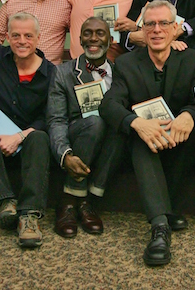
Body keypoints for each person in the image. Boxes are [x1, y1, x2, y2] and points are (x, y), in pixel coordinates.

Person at [99, 0, 195, 266]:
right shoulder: (125, 64)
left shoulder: (192, 59)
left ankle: (168, 206)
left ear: (175, 28)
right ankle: (160, 227)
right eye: (150, 24)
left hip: (181, 141)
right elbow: (108, 104)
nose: (156, 30)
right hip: (146, 145)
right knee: (139, 138)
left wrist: (188, 115)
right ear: (142, 30)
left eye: (163, 24)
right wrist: (136, 123)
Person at [0, 12, 55, 249]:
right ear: (7, 37)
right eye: (15, 35)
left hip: (30, 143)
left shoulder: (52, 73)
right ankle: (5, 202)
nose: (21, 41)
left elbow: (50, 117)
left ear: (38, 38)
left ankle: (29, 216)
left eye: (27, 36)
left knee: (40, 136)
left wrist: (20, 136)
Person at [47, 17, 124, 238]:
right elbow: (56, 120)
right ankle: (70, 200)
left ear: (110, 40)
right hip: (76, 137)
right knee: (95, 121)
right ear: (79, 39)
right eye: (87, 33)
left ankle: (84, 201)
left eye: (100, 33)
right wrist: (65, 154)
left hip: (108, 143)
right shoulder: (63, 73)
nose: (93, 38)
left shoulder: (121, 73)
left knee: (119, 124)